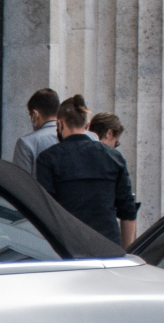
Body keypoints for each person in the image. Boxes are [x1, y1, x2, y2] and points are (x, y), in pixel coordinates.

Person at [35, 96, 140, 245]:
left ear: (60, 124)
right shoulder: (114, 157)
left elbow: (46, 209)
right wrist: (127, 252)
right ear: (87, 125)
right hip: (108, 244)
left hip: (67, 245)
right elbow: (128, 210)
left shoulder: (48, 158)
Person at [9, 89, 62, 174]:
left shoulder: (26, 143)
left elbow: (20, 181)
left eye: (30, 115)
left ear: (35, 114)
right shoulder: (74, 137)